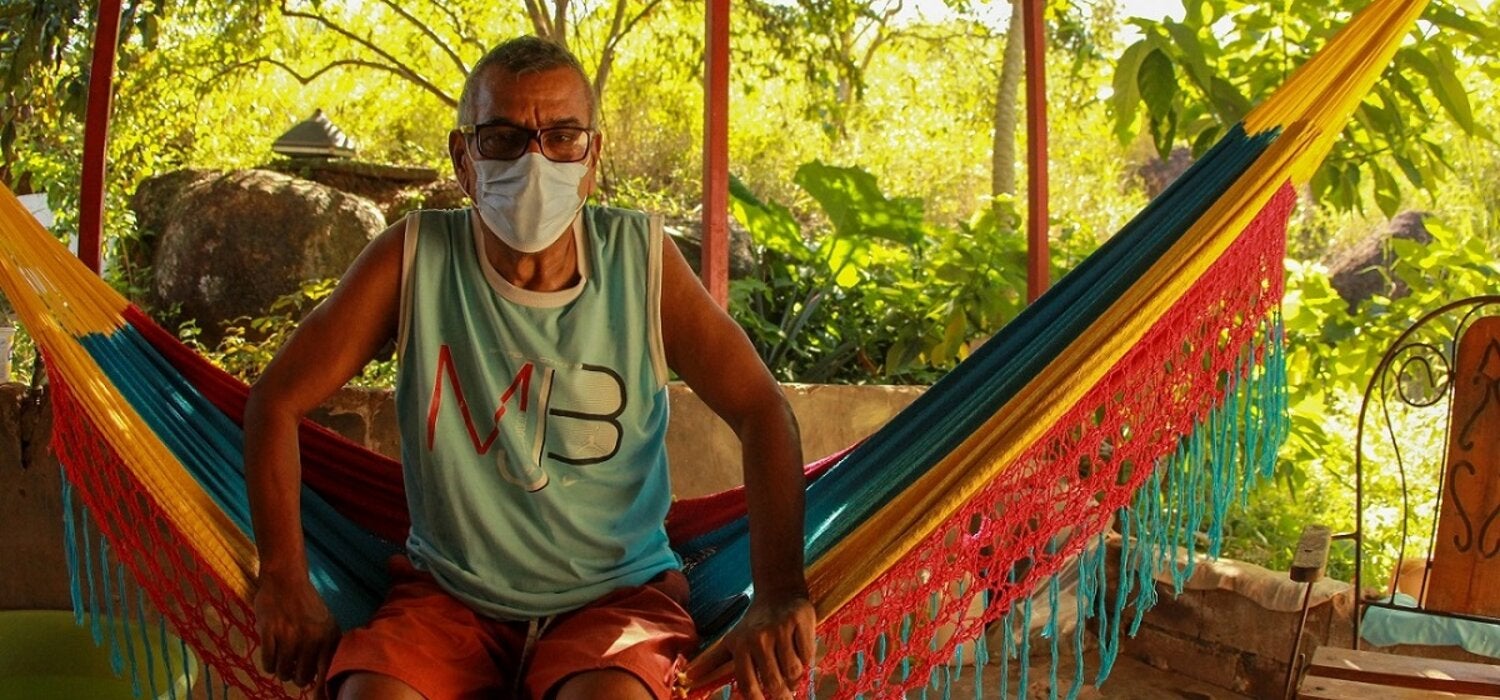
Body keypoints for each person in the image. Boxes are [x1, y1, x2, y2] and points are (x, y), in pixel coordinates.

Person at [245, 37, 815, 700]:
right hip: (447, 599)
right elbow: (276, 401)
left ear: (593, 157)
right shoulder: (417, 259)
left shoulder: (640, 260)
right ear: (463, 157)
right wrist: (284, 575)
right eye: (503, 138)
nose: (536, 160)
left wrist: (778, 591)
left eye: (563, 137)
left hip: (617, 603)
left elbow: (761, 408)